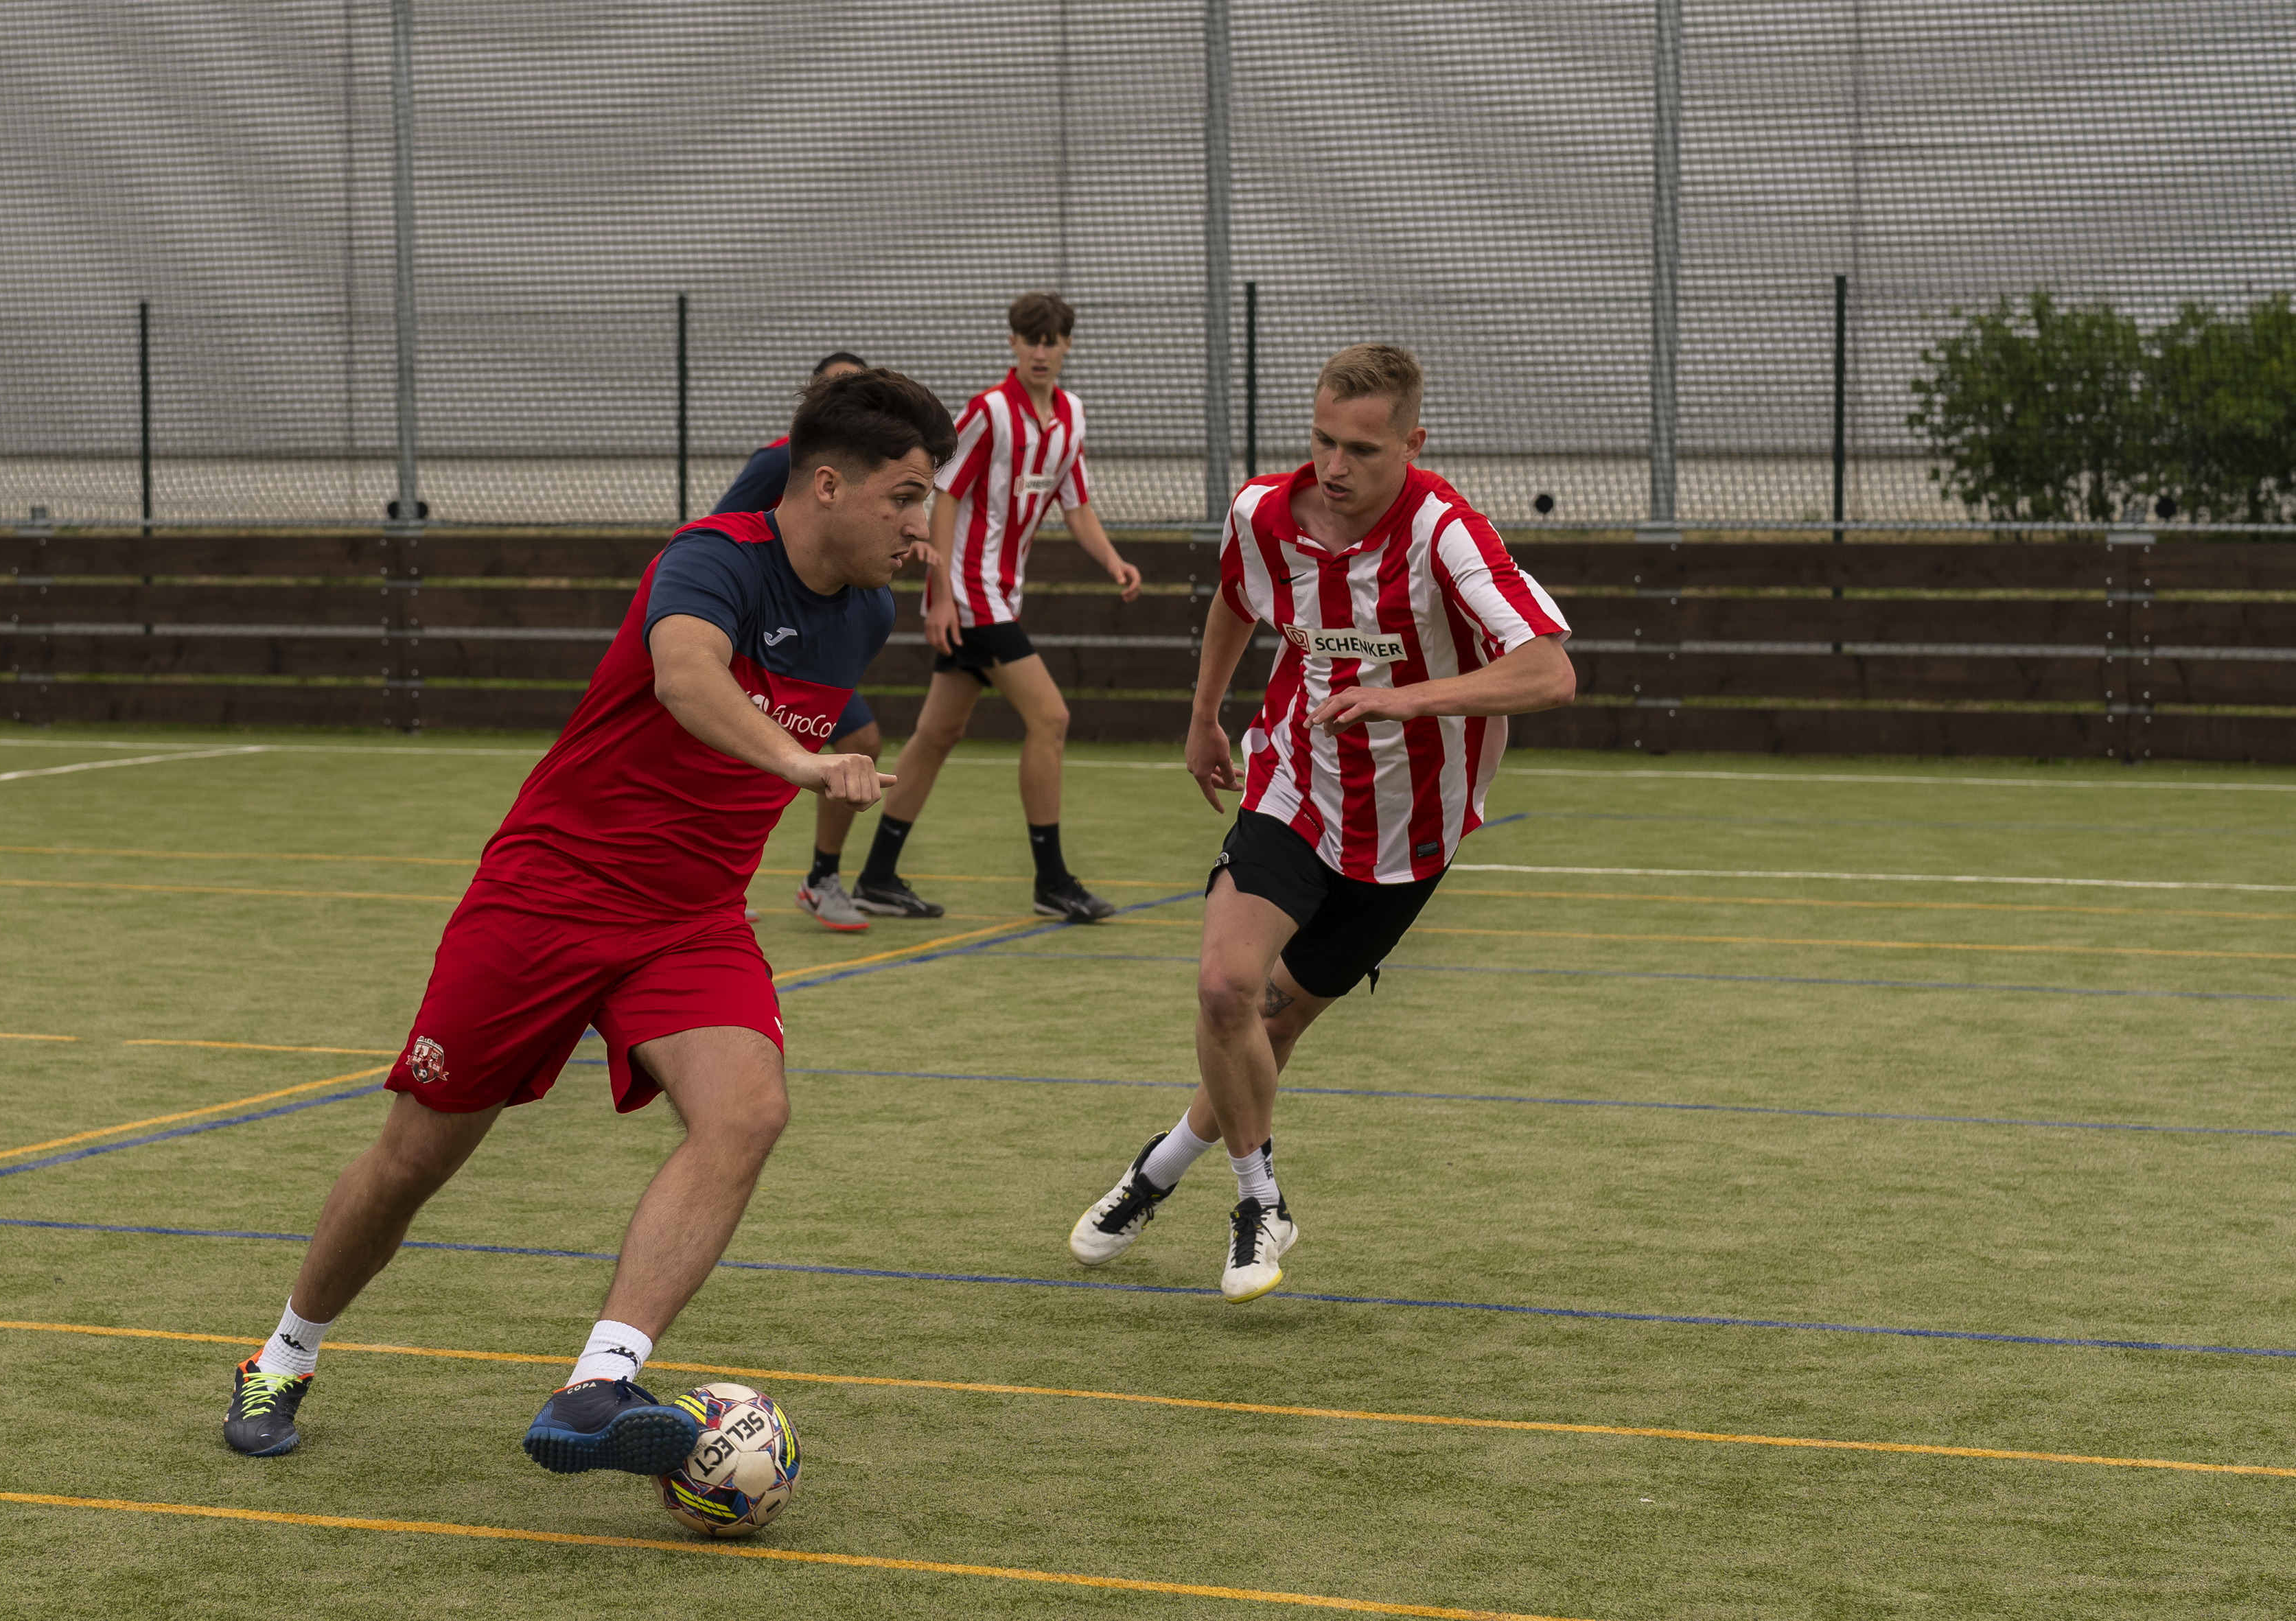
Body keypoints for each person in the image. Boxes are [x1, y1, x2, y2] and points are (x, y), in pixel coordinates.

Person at [221, 368, 958, 1469]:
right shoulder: (710, 559)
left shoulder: (864, 612)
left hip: (690, 919)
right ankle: (282, 1354)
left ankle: (596, 1386)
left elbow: (799, 667)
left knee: (747, 1110)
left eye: (927, 497)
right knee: (414, 1158)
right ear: (825, 486)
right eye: (904, 495)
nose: (923, 522)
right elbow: (683, 679)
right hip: (547, 896)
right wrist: (804, 757)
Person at [1065, 343, 1576, 1303]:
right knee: (1225, 987)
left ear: (1412, 444)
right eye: (1322, 441)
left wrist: (1407, 700)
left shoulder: (1445, 533)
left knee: (1272, 1019)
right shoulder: (1265, 511)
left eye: (1361, 450)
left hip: (1410, 830)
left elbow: (1548, 671)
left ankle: (1159, 1167)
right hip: (1290, 784)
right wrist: (1203, 709)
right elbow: (1232, 596)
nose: (1335, 468)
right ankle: (1259, 1199)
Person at [849, 290, 1142, 924]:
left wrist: (1113, 560)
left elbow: (1077, 505)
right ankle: (1053, 881)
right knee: (1052, 718)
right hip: (973, 595)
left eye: (1051, 340)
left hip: (1000, 594)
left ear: (1067, 345)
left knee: (936, 735)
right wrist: (941, 594)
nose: (1040, 351)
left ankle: (874, 877)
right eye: (1029, 339)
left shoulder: (1071, 417)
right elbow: (946, 496)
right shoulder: (987, 411)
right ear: (1012, 343)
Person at [712, 349, 905, 934]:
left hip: (811, 645)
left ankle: (821, 878)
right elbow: (715, 533)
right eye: (837, 393)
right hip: (756, 648)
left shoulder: (874, 479)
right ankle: (708, 886)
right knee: (725, 759)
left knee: (862, 738)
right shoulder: (781, 462)